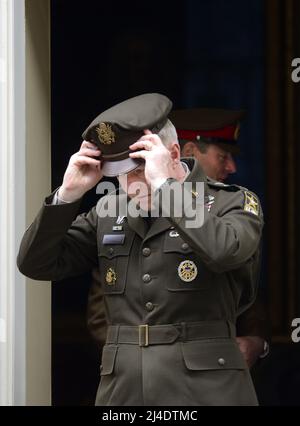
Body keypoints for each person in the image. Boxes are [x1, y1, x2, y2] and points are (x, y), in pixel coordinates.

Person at [17, 93, 263, 406]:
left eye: (141, 169)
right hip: (124, 391)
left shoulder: (232, 202)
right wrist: (67, 194)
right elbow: (36, 263)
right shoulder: (110, 210)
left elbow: (225, 250)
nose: (133, 183)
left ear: (173, 154)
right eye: (121, 174)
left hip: (206, 391)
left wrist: (164, 187)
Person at [87, 107, 269, 368]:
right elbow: (104, 313)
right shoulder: (122, 210)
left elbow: (237, 284)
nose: (231, 166)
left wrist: (258, 341)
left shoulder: (232, 203)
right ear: (189, 152)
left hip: (213, 374)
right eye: (223, 156)